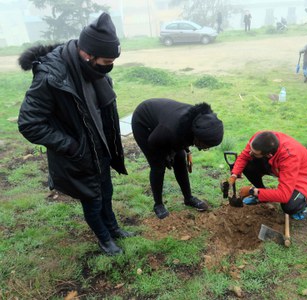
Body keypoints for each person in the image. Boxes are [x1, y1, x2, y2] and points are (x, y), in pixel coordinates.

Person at [17, 12, 134, 256]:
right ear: (87, 54)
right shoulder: (51, 76)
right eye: (105, 62)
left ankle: (112, 227)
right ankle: (104, 239)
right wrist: (71, 146)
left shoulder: (95, 71)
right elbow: (29, 123)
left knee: (106, 192)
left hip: (100, 147)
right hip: (77, 152)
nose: (109, 67)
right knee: (92, 199)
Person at [131, 98, 224, 219]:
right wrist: (166, 155)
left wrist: (175, 152)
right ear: (197, 137)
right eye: (205, 146)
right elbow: (153, 142)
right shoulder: (171, 130)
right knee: (158, 165)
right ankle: (158, 204)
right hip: (144, 124)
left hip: (165, 121)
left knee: (180, 158)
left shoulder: (199, 122)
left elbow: (181, 143)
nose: (205, 149)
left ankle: (188, 198)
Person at [228, 131, 307, 220]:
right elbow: (244, 156)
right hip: (279, 166)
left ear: (269, 155)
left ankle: (303, 204)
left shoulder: (289, 157)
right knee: (248, 165)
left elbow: (283, 195)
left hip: (305, 176)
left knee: (289, 206)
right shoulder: (260, 139)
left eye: (254, 153)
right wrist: (234, 175)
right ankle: (262, 195)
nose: (250, 153)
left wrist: (252, 191)